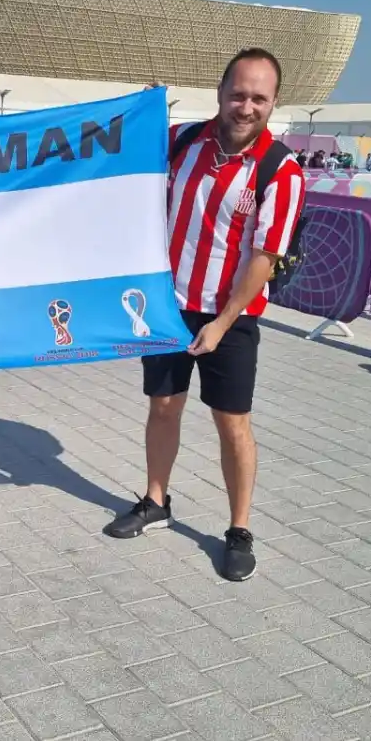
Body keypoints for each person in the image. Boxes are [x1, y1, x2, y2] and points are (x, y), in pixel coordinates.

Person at [104, 48, 305, 583]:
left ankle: (238, 529)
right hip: (169, 307)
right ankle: (155, 501)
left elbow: (263, 259)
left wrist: (221, 323)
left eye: (259, 98)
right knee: (163, 406)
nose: (246, 106)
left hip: (230, 317)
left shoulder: (280, 171)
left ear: (274, 102)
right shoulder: (184, 141)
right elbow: (124, 156)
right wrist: (141, 108)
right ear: (219, 92)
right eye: (238, 94)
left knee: (232, 423)